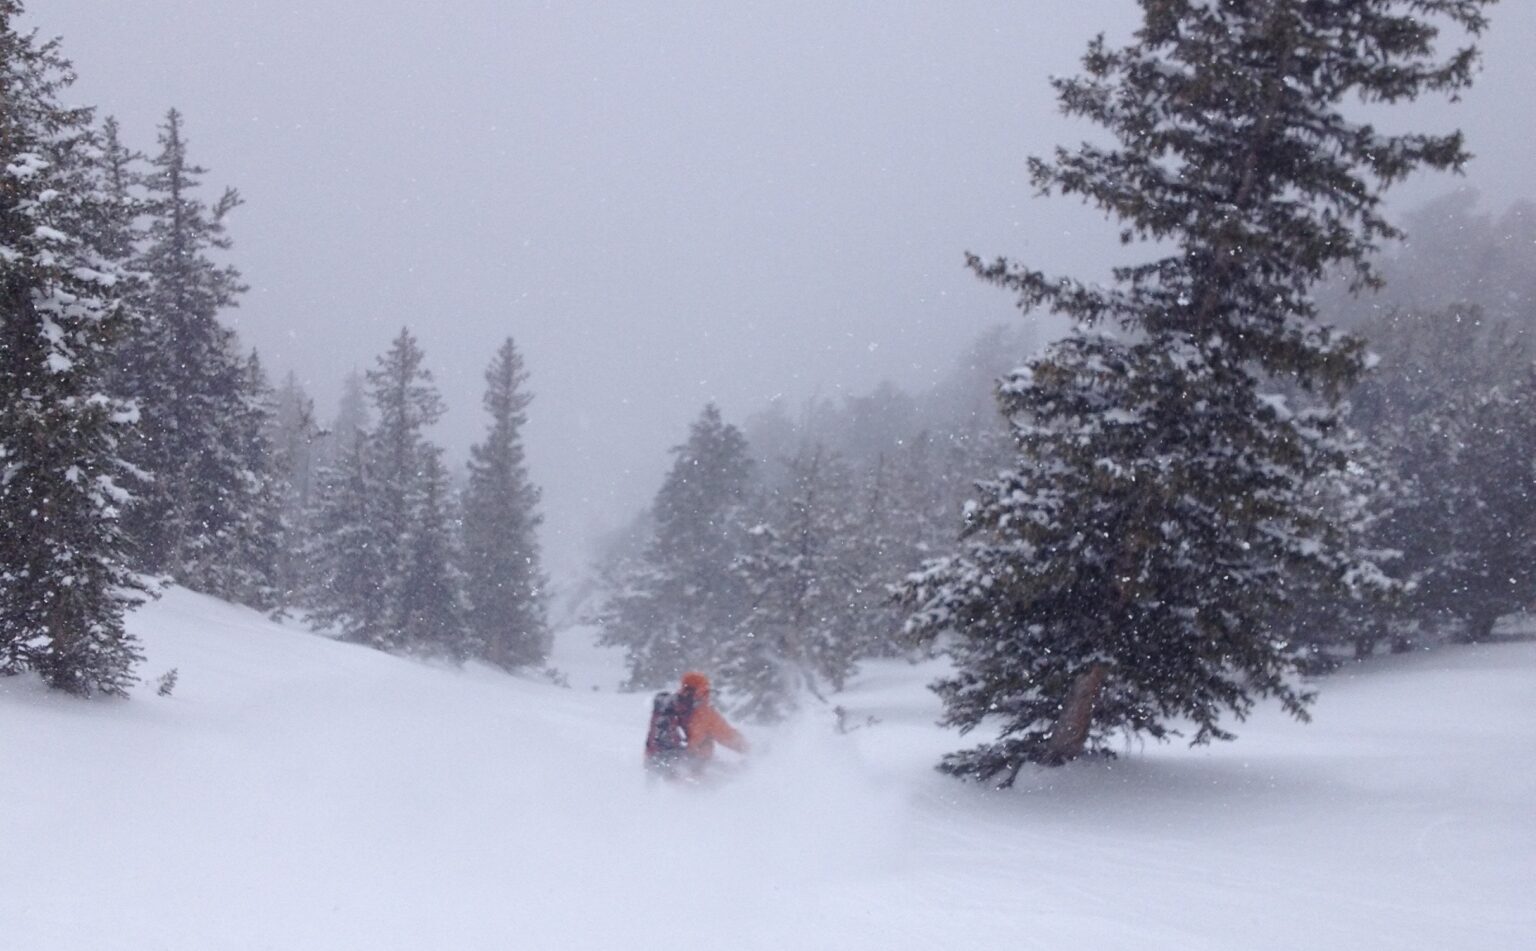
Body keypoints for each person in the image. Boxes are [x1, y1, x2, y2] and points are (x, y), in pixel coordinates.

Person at [644, 671, 748, 780]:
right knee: (729, 778)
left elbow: (652, 739)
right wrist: (750, 750)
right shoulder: (704, 712)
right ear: (703, 689)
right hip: (693, 769)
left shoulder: (668, 707)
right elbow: (727, 736)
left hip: (659, 765)